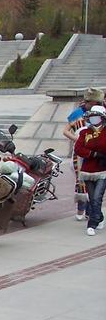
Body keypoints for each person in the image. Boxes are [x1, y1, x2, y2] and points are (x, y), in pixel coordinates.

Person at [63, 87, 103, 221]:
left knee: (96, 180)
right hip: (81, 153)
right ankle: (83, 210)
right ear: (90, 102)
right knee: (82, 180)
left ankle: (91, 211)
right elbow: (66, 131)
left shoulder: (100, 113)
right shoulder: (78, 114)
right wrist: (79, 139)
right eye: (96, 103)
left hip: (98, 153)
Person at [74, 104, 106, 237]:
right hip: (88, 170)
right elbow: (79, 148)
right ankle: (99, 217)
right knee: (92, 198)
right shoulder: (84, 132)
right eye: (91, 116)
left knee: (98, 197)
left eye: (96, 116)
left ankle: (91, 224)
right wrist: (93, 154)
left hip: (103, 169)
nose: (93, 118)